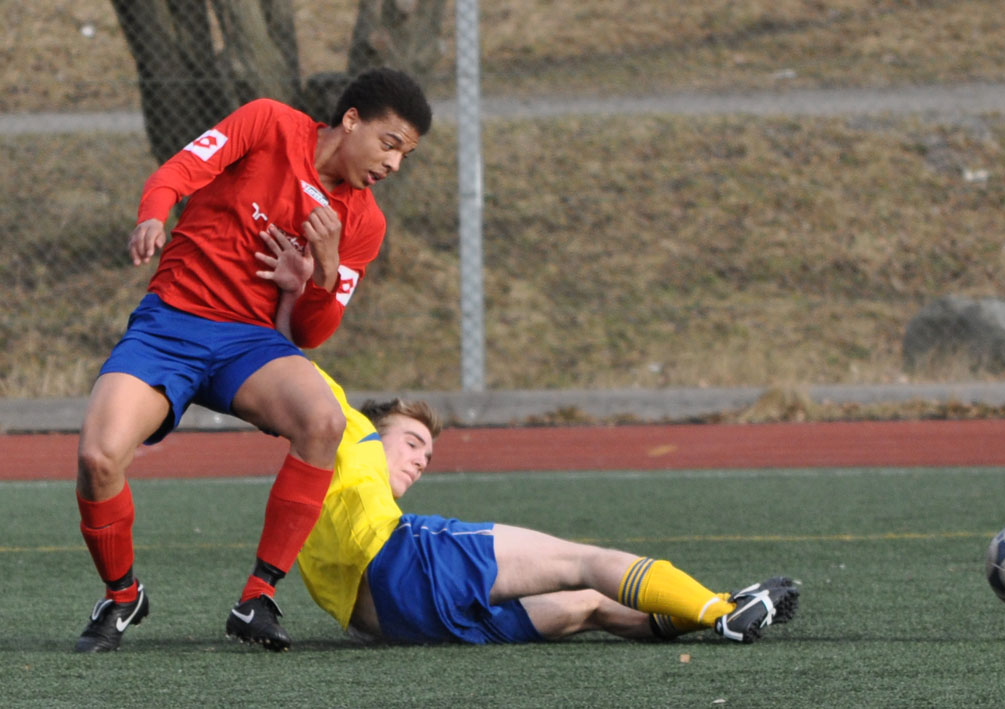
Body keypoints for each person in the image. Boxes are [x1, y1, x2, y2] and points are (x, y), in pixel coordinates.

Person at [72, 68, 433, 654]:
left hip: (249, 343)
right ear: (351, 121)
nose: (393, 164)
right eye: (389, 144)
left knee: (324, 420)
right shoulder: (269, 123)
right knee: (97, 458)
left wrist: (321, 268)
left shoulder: (364, 222)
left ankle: (257, 597)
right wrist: (153, 215)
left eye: (405, 155)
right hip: (172, 323)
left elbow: (313, 332)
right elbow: (176, 172)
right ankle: (122, 596)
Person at [293, 369, 800, 645]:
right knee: (582, 561)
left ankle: (718, 607)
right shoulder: (348, 428)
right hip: (408, 563)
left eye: (427, 455)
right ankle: (724, 612)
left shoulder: (312, 490)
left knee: (591, 606)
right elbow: (288, 360)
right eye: (411, 443)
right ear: (370, 432)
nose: (421, 460)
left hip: (401, 625)